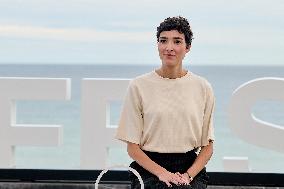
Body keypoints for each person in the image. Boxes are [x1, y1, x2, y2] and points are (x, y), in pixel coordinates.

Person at [115, 16, 215, 189]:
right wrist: (163, 174)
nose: (169, 48)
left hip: (189, 168)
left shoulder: (202, 87)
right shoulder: (138, 86)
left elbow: (207, 148)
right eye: (163, 41)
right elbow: (132, 148)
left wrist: (187, 176)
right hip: (149, 168)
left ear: (187, 47)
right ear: (158, 45)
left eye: (177, 41)